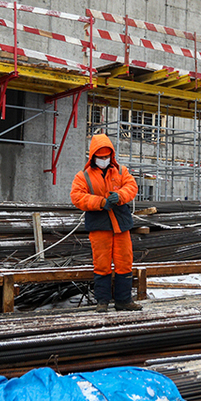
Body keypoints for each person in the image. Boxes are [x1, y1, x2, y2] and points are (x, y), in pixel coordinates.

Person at [70, 133, 142, 313]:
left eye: (106, 156)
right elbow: (77, 197)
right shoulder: (83, 176)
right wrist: (100, 202)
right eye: (100, 157)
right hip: (99, 225)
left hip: (121, 224)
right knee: (101, 264)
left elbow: (131, 187)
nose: (104, 160)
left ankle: (124, 300)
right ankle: (102, 301)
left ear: (111, 155)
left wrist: (120, 196)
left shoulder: (121, 171)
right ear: (93, 156)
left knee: (124, 262)